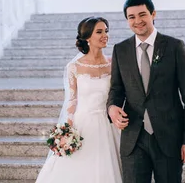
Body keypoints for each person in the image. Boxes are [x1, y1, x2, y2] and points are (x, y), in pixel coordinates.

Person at [107, 0, 185, 183]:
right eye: (131, 17)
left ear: (153, 14)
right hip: (133, 138)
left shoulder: (174, 47)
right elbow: (116, 89)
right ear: (127, 20)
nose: (138, 21)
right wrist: (112, 108)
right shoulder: (120, 50)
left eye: (142, 15)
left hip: (168, 138)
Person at [36, 16, 122, 183]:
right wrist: (66, 130)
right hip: (83, 123)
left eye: (106, 31)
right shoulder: (74, 67)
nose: (105, 35)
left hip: (109, 123)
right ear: (88, 37)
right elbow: (72, 100)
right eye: (99, 31)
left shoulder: (113, 64)